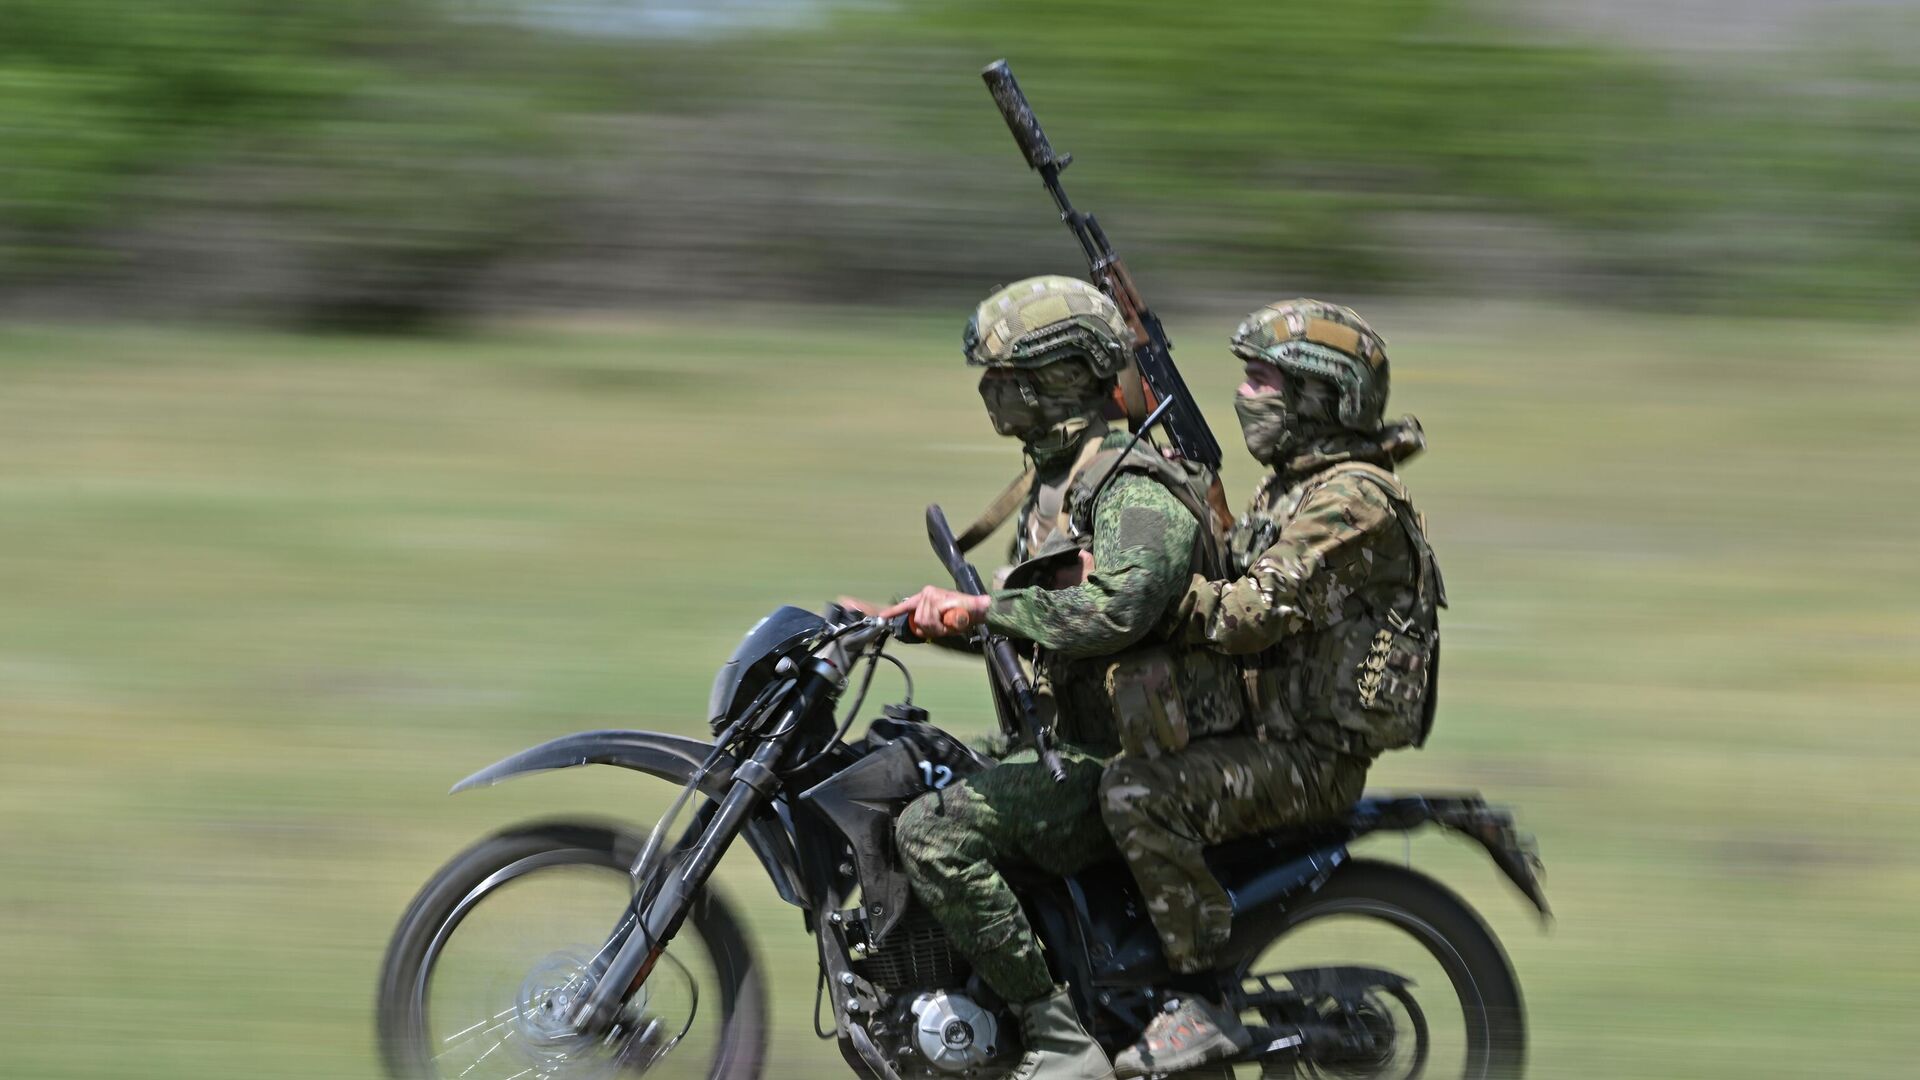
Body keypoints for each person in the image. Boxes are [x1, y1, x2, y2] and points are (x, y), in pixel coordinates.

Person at [879, 275, 1246, 1080]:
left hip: (1127, 759)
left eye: (1008, 374)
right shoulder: (1056, 482)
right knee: (900, 774)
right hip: (1068, 742)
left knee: (934, 833)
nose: (990, 389)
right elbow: (1040, 632)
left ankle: (1056, 1036)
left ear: (1065, 375)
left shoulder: (1131, 486)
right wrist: (901, 622)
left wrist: (984, 611)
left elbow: (1118, 611)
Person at [1101, 299, 1445, 1079]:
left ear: (1323, 395)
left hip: (1306, 759)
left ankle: (1201, 1000)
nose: (1244, 394)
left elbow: (1249, 615)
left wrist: (1143, 594)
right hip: (1260, 735)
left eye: (1263, 380)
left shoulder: (1352, 500)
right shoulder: (1290, 488)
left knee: (1135, 794)